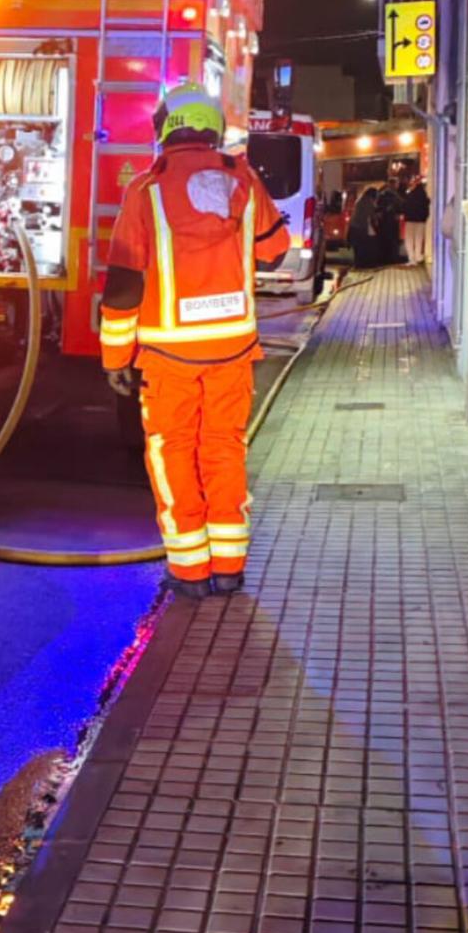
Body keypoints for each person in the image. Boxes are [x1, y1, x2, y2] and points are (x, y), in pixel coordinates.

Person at [100, 80, 290, 599]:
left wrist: (115, 357)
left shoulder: (145, 190)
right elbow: (276, 250)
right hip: (232, 348)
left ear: (165, 127)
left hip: (167, 354)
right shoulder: (243, 180)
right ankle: (229, 568)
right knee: (225, 450)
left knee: (172, 452)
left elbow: (123, 285)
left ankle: (189, 572)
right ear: (212, 127)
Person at [349, 185, 382, 268]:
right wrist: (377, 217)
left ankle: (359, 264)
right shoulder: (368, 202)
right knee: (369, 245)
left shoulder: (359, 200)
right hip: (362, 226)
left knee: (358, 248)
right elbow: (372, 214)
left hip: (355, 226)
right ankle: (368, 263)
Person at [402, 173, 431, 265]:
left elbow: (404, 206)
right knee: (419, 239)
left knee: (409, 239)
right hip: (421, 221)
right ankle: (418, 256)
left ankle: (411, 258)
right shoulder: (424, 197)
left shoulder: (409, 195)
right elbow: (426, 208)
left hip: (410, 220)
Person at [375, 179, 405, 265]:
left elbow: (377, 208)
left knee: (384, 240)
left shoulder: (382, 194)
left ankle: (384, 258)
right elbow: (401, 205)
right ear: (394, 184)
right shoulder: (395, 196)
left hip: (384, 222)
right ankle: (392, 258)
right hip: (391, 221)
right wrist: (398, 213)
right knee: (392, 240)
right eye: (396, 184)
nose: (397, 186)